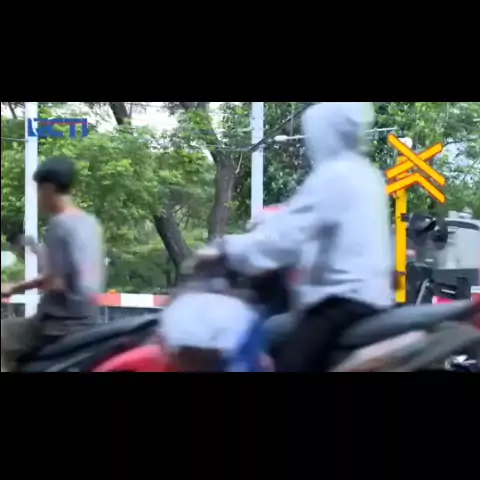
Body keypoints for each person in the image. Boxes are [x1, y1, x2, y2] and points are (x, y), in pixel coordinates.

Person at [197, 102, 394, 372]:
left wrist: (224, 249)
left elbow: (285, 238)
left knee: (280, 349)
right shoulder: (368, 175)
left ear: (326, 132)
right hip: (372, 299)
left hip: (339, 303)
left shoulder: (334, 176)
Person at [1, 157, 105, 371]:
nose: (38, 198)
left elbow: (55, 282)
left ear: (48, 189)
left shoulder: (60, 224)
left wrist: (13, 287)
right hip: (89, 320)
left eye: (39, 191)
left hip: (58, 325)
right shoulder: (90, 223)